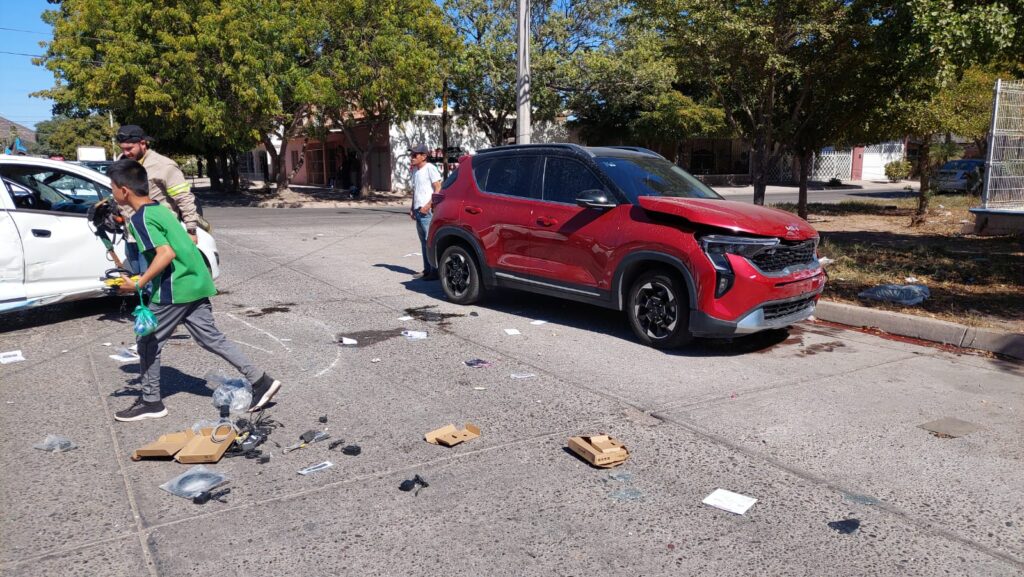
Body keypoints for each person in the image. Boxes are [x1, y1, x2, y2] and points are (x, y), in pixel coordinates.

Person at [108, 159, 281, 422]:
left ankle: (151, 401)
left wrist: (138, 283)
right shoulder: (159, 209)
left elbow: (165, 253)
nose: (111, 192)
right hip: (196, 282)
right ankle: (261, 380)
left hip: (173, 290)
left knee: (147, 343)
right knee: (211, 338)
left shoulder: (140, 219)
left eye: (112, 187)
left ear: (124, 190)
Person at [115, 125, 203, 278]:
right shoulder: (122, 163)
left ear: (143, 143)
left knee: (154, 285)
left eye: (129, 148)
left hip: (156, 238)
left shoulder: (163, 166)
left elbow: (184, 199)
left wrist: (191, 230)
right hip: (131, 236)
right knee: (138, 284)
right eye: (122, 149)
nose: (125, 153)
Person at [408, 144, 442, 280]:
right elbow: (416, 191)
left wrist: (429, 205)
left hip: (427, 211)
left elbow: (438, 188)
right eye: (411, 155)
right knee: (423, 241)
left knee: (430, 240)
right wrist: (412, 207)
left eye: (415, 155)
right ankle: (427, 269)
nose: (412, 158)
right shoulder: (415, 171)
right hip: (418, 210)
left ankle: (435, 271)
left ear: (424, 156)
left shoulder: (430, 169)